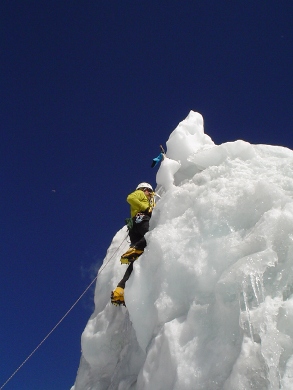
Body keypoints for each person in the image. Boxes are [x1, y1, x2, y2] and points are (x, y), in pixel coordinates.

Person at [111, 182, 155, 306]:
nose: (150, 196)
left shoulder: (145, 197)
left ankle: (120, 289)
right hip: (142, 220)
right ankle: (137, 247)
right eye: (149, 193)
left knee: (135, 262)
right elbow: (130, 198)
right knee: (153, 234)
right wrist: (146, 208)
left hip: (135, 227)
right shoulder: (140, 193)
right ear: (145, 189)